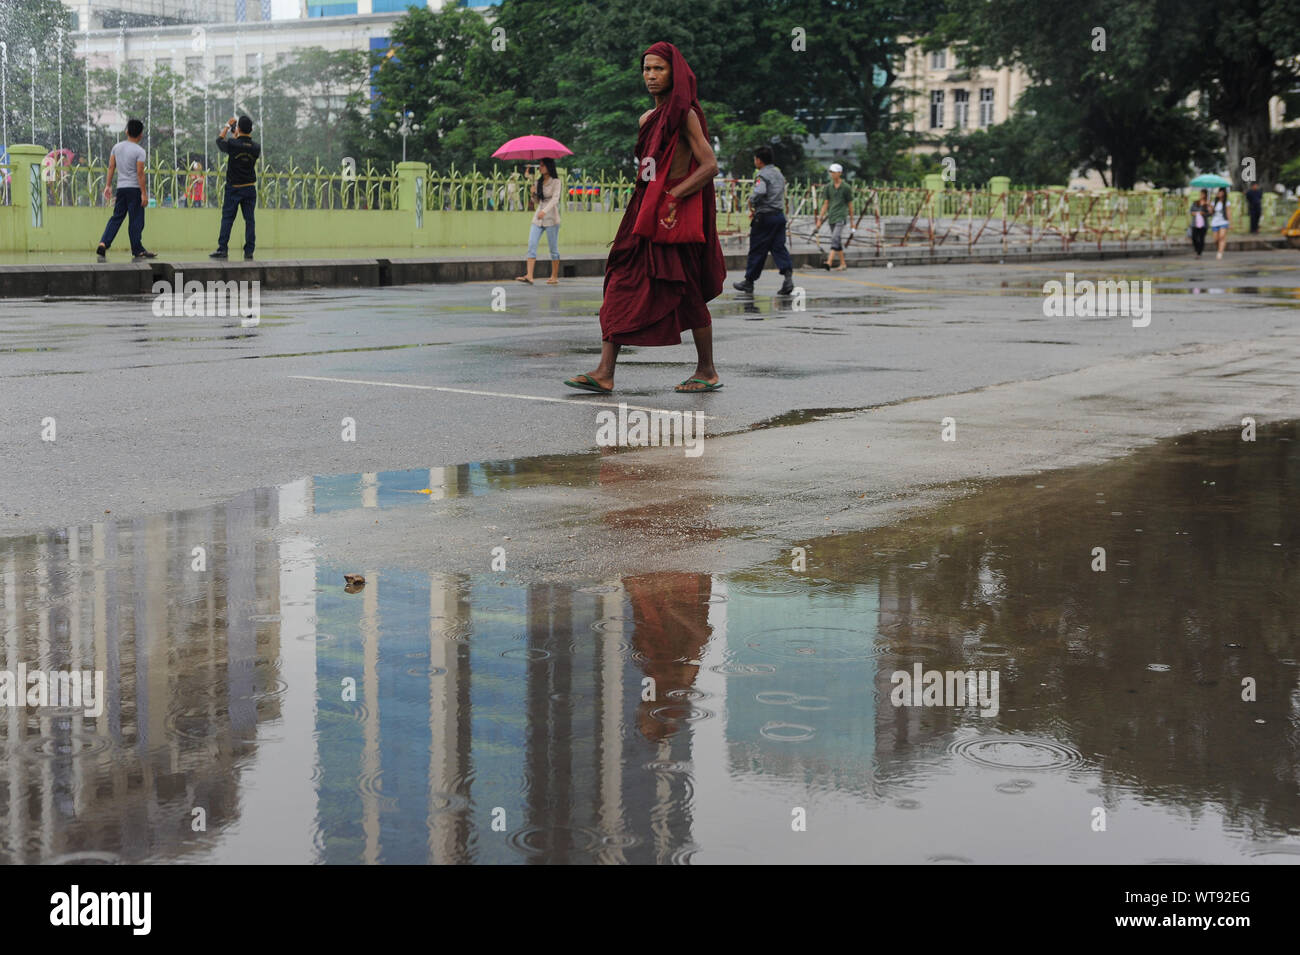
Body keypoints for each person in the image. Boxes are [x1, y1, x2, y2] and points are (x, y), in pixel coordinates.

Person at [562, 41, 725, 395]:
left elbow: (710, 165)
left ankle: (707, 369)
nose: (650, 76)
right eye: (646, 69)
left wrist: (673, 198)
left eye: (658, 69)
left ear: (674, 73)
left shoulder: (685, 114)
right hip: (642, 214)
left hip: (669, 218)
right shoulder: (646, 119)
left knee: (686, 291)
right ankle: (605, 371)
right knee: (619, 281)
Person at [732, 145, 793, 295]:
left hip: (765, 218)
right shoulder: (779, 174)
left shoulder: (762, 175)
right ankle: (788, 278)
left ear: (759, 160)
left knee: (757, 250)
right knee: (778, 247)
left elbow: (760, 191)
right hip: (779, 216)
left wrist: (751, 200)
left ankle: (749, 282)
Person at [95, 118, 155, 261]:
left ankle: (104, 242)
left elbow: (111, 167)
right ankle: (137, 249)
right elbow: (140, 173)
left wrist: (108, 185)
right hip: (134, 190)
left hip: (121, 189)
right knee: (136, 220)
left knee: (116, 217)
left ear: (126, 131)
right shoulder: (140, 151)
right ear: (140, 135)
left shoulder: (117, 147)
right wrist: (144, 194)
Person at [210, 115, 261, 260]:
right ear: (251, 129)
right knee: (249, 220)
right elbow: (244, 145)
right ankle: (249, 251)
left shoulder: (233, 144)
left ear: (238, 128)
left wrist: (227, 126)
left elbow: (219, 141)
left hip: (234, 188)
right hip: (250, 188)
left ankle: (223, 249)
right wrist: (237, 136)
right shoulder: (256, 147)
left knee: (227, 219)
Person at [515, 157, 562, 284]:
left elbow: (555, 199)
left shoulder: (556, 182)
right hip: (538, 218)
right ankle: (529, 275)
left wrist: (545, 211)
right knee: (531, 243)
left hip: (551, 217)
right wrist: (533, 193)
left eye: (542, 165)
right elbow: (536, 201)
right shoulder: (538, 182)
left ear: (549, 167)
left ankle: (554, 276)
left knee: (553, 248)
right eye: (540, 165)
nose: (540, 168)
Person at [814, 162, 854, 270]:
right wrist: (819, 220)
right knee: (837, 240)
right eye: (831, 172)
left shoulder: (846, 187)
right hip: (831, 216)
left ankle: (829, 261)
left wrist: (852, 222)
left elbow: (850, 205)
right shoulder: (828, 187)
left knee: (835, 238)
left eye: (834, 172)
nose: (832, 174)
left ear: (840, 173)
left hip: (841, 216)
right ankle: (843, 264)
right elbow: (825, 204)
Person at [1188, 188, 1210, 257]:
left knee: (1201, 238)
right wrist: (1196, 213)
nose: (1202, 195)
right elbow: (1191, 211)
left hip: (1203, 224)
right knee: (1194, 237)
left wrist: (1207, 207)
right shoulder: (1196, 202)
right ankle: (1196, 249)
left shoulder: (1207, 204)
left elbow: (1209, 214)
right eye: (1201, 194)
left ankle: (1199, 252)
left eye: (1203, 194)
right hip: (1195, 223)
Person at [1210, 186, 1230, 259]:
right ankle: (1219, 248)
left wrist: (1230, 222)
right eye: (1219, 192)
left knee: (1222, 237)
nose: (1220, 193)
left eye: (1221, 192)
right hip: (1215, 222)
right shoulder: (1214, 202)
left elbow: (1228, 212)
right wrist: (1210, 207)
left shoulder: (1226, 202)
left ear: (1224, 193)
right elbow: (1211, 213)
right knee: (1216, 239)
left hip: (1223, 221)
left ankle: (1220, 252)